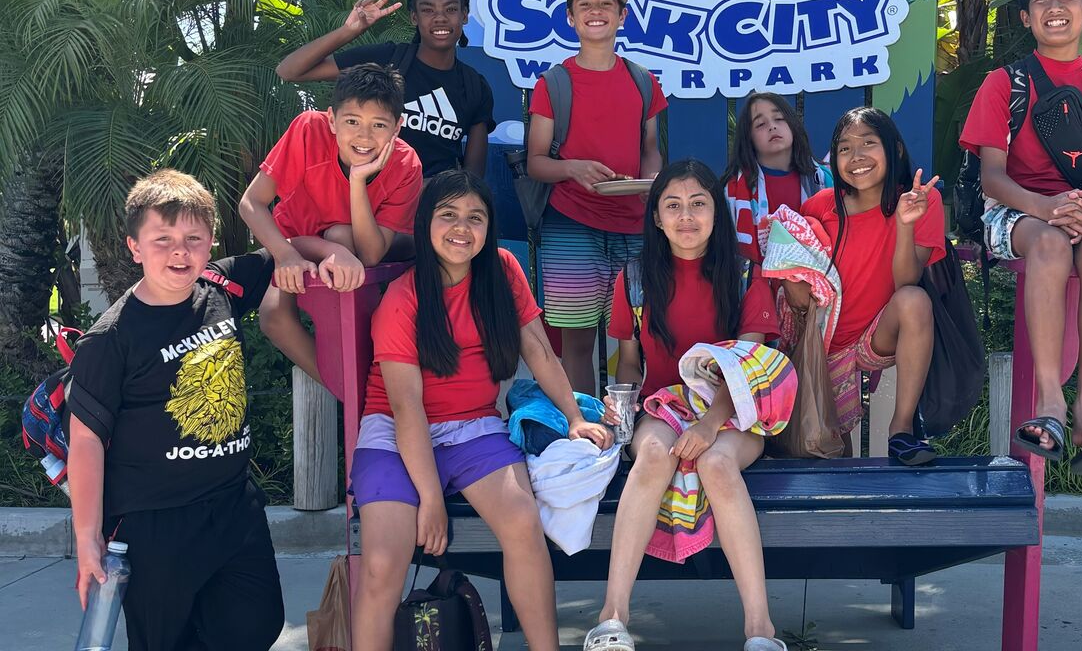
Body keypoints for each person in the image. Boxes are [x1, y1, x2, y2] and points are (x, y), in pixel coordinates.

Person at [350, 170, 612, 651]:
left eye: (475, 217)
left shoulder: (504, 270)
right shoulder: (403, 298)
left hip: (473, 425)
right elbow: (407, 411)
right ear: (426, 223)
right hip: (394, 432)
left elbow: (540, 352)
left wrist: (574, 416)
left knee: (522, 522)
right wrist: (430, 499)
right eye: (447, 214)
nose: (461, 227)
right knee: (384, 561)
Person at [67, 170, 283, 650]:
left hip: (233, 507)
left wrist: (333, 252)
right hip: (153, 523)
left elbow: (286, 252)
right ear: (134, 247)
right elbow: (85, 440)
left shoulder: (222, 288)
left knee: (257, 625)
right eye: (162, 240)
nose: (179, 251)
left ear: (210, 242)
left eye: (192, 238)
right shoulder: (110, 338)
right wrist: (86, 539)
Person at [585, 160, 786, 651]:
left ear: (717, 211)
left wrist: (711, 423)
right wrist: (623, 408)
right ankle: (612, 618)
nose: (686, 216)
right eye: (672, 205)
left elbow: (750, 366)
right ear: (656, 217)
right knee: (654, 455)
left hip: (735, 406)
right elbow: (628, 365)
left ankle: (761, 630)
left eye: (698, 203)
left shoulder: (744, 275)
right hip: (664, 405)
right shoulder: (634, 279)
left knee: (716, 463)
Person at [959, 0, 1082, 475]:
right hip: (1016, 210)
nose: (1055, 7)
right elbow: (992, 176)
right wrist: (1047, 209)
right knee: (1049, 242)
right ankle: (1050, 403)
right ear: (1025, 17)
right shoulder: (1005, 82)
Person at [526, 0, 667, 395]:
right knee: (578, 340)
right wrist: (573, 167)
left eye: (607, 4)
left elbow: (650, 148)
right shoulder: (554, 83)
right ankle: (584, 435)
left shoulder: (642, 81)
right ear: (570, 17)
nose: (596, 11)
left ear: (623, 15)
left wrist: (652, 181)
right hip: (572, 223)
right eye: (584, 4)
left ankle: (642, 431)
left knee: (642, 337)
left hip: (635, 226)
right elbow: (535, 162)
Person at [240, 63, 422, 383]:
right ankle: (350, 393)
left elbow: (370, 254)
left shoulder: (406, 163)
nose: (364, 136)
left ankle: (359, 392)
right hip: (295, 242)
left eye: (379, 125)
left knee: (340, 234)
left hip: (352, 246)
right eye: (352, 121)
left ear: (397, 128)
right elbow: (251, 203)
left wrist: (357, 180)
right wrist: (286, 255)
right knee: (272, 317)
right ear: (332, 121)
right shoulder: (309, 130)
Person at [784, 107, 945, 465]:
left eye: (868, 144)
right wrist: (792, 284)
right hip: (821, 346)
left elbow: (906, 282)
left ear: (895, 150)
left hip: (875, 336)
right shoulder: (819, 206)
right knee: (834, 456)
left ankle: (901, 432)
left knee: (914, 301)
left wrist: (904, 223)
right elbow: (792, 270)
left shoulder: (922, 200)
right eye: (844, 148)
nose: (856, 157)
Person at [276, 0, 496, 177]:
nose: (440, 18)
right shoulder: (387, 59)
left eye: (450, 9)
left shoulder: (475, 86)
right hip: (369, 198)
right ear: (414, 17)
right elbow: (289, 70)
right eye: (428, 10)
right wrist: (350, 31)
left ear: (464, 15)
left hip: (432, 207)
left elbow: (472, 176)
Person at [723, 91, 832, 263]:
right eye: (760, 124)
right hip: (755, 283)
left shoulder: (823, 180)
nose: (772, 126)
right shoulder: (733, 190)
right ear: (748, 138)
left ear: (793, 125)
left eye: (779, 119)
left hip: (819, 281)